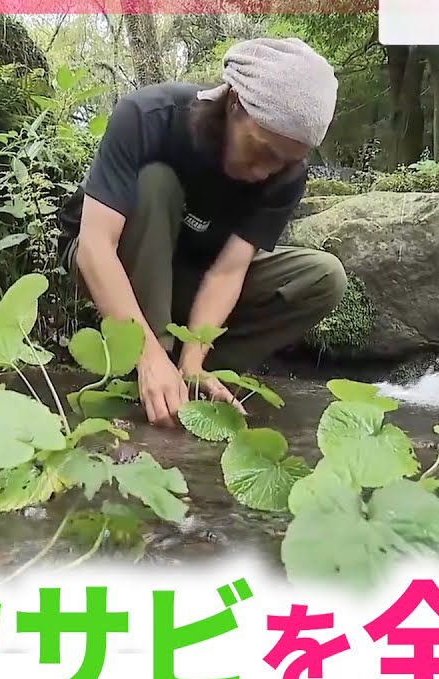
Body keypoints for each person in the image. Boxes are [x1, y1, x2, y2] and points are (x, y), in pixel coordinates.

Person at [55, 37, 348, 428]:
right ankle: (147, 363)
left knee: (323, 277)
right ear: (234, 103)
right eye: (261, 150)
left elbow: (228, 271)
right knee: (156, 183)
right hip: (114, 261)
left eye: (283, 163)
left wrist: (194, 359)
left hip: (191, 273)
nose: (265, 171)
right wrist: (147, 355)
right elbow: (95, 248)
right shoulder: (148, 116)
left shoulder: (286, 175)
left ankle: (190, 378)